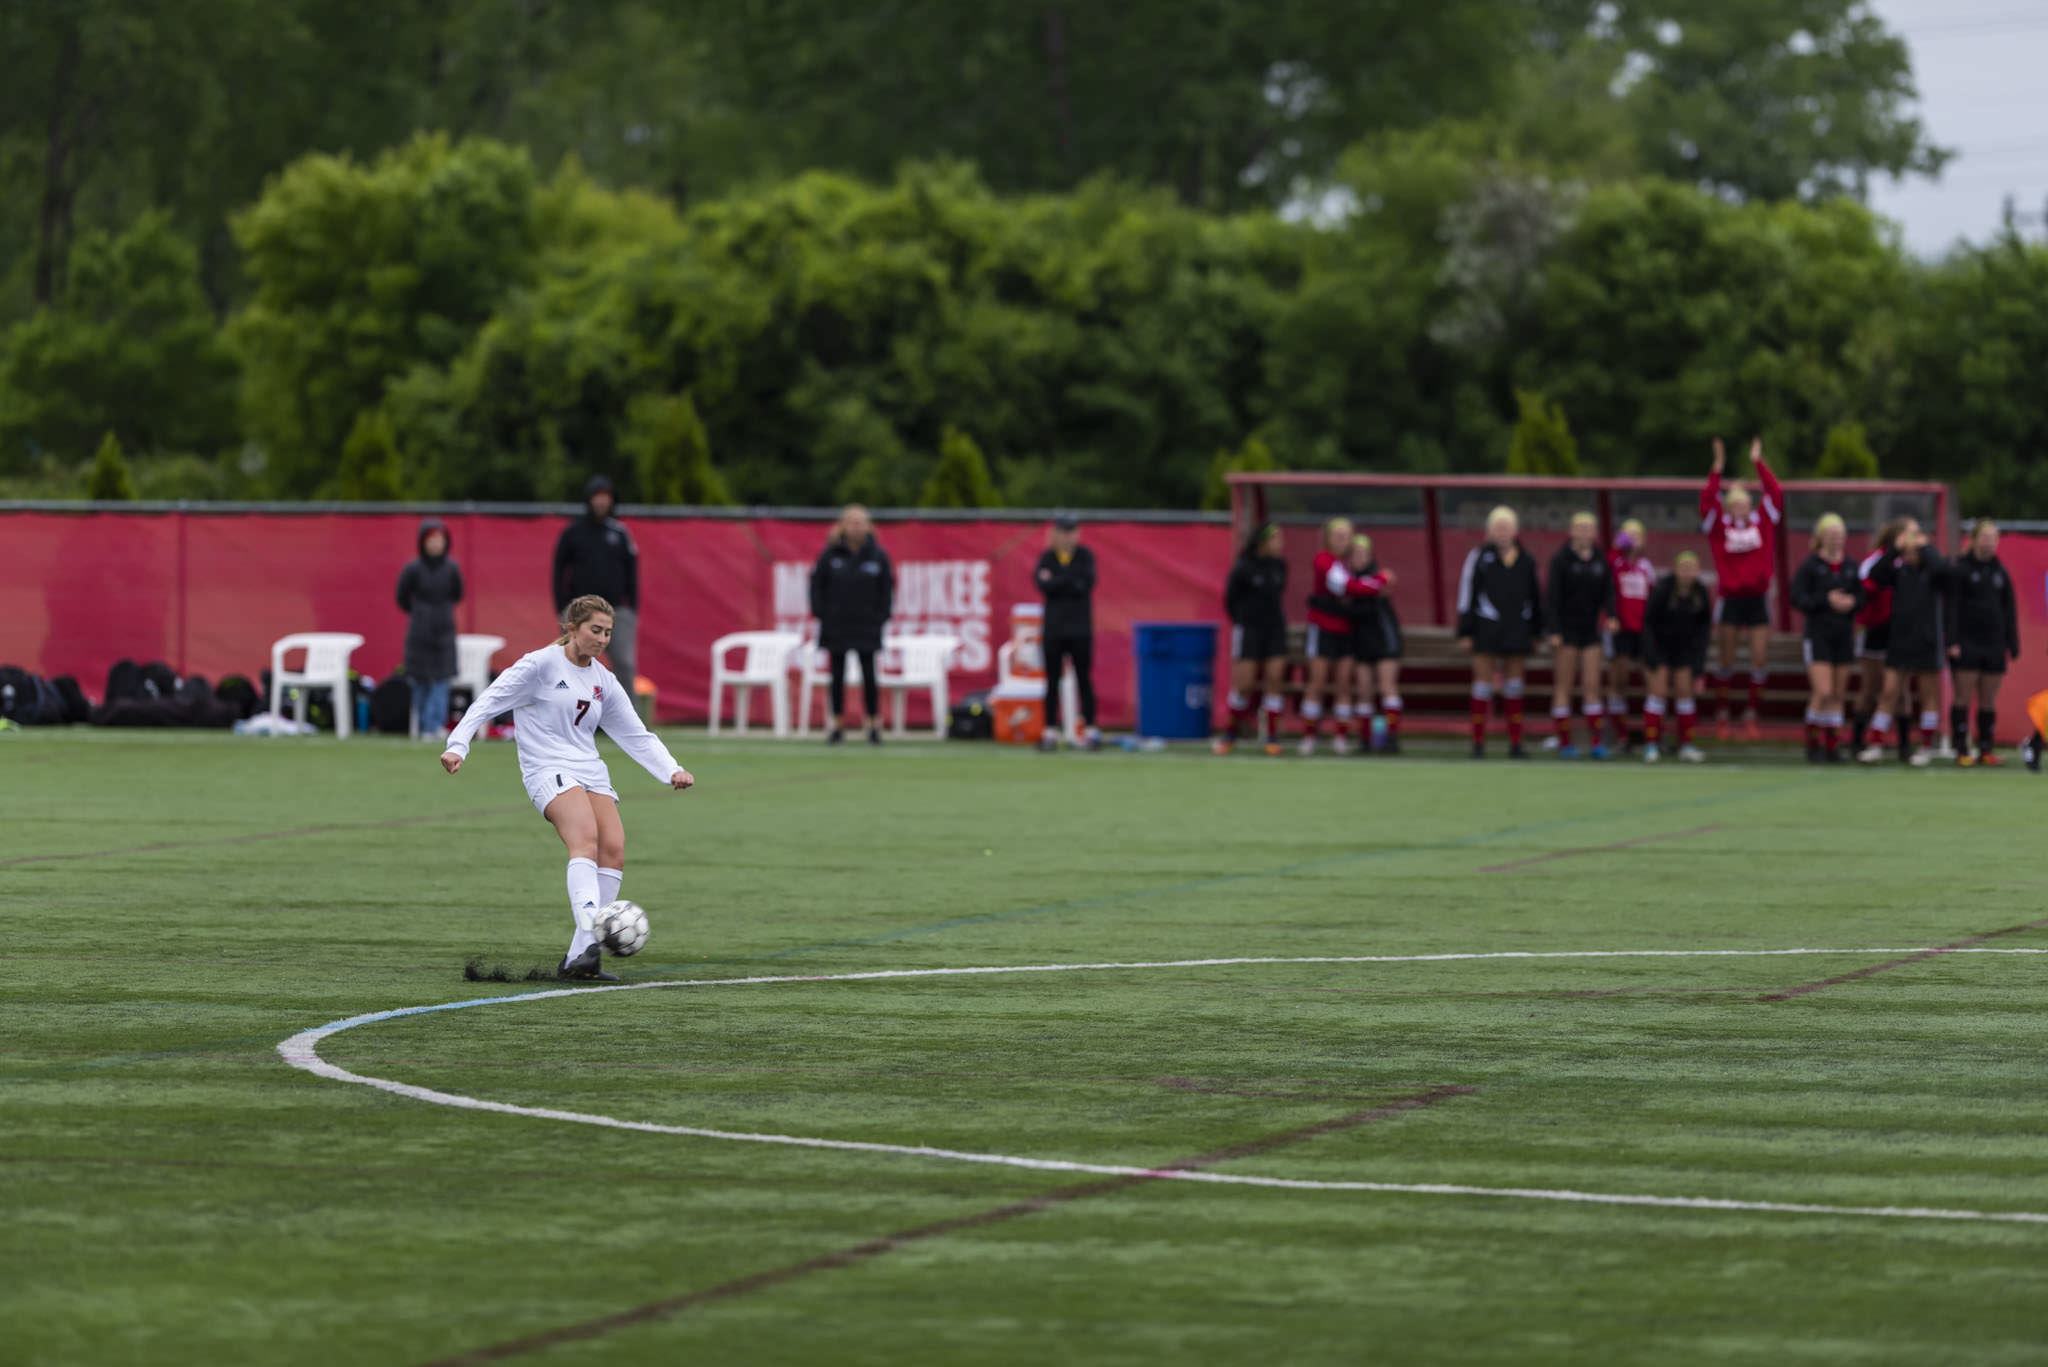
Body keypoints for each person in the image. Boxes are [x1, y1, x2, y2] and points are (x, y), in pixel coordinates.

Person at [439, 595, 693, 981]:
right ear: (571, 629)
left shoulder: (603, 680)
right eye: (595, 630)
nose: (603, 639)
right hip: (546, 768)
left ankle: (580, 959)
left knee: (614, 849)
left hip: (589, 769)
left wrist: (671, 769)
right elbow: (489, 700)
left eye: (608, 632)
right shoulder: (540, 665)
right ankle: (595, 934)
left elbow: (634, 733)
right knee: (585, 839)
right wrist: (458, 744)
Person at [1700, 437, 1783, 740]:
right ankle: (1723, 713)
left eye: (1745, 503)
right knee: (1726, 659)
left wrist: (1757, 462)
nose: (1741, 508)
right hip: (1730, 599)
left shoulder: (1762, 521)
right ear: (1728, 506)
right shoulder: (1719, 526)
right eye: (1735, 503)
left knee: (1758, 658)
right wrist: (1717, 468)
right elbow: (1707, 500)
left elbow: (1775, 492)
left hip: (1757, 598)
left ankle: (1751, 715)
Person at [1859, 519, 1947, 767]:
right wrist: (1895, 550)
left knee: (1928, 695)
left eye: (1914, 549)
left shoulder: (1933, 571)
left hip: (1926, 640)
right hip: (1900, 640)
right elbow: (1875, 576)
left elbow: (1942, 570)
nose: (1910, 554)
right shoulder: (1898, 571)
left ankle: (1926, 747)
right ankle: (1875, 743)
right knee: (1889, 692)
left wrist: (1925, 548)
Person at [1457, 506, 1543, 759]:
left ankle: (1516, 743)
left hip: (1517, 629)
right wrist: (1466, 630)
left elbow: (1536, 597)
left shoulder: (1526, 559)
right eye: (1497, 527)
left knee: (1514, 687)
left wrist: (1536, 630)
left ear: (1516, 531)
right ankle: (1478, 742)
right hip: (1486, 627)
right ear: (1488, 531)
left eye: (1506, 527)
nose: (1502, 532)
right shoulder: (1478, 557)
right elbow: (1466, 594)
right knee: (1482, 686)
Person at [810, 504, 895, 745]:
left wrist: (880, 616)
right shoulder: (830, 555)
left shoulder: (878, 556)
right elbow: (816, 587)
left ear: (868, 526)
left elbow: (887, 590)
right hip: (836, 626)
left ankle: (873, 725)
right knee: (837, 676)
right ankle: (837, 725)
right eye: (852, 522)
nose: (856, 526)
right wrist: (823, 614)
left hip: (867, 626)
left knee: (869, 676)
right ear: (843, 525)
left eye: (861, 522)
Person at [552, 474, 640, 687]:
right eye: (597, 496)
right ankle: (573, 715)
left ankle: (627, 718)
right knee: (575, 663)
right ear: (589, 499)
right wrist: (562, 606)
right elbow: (558, 569)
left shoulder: (619, 533)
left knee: (624, 664)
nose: (601, 501)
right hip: (580, 610)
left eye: (606, 497)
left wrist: (631, 608)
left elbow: (632, 571)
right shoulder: (573, 532)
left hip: (617, 609)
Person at [1789, 514, 1863, 763]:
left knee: (1838, 694)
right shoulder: (1811, 566)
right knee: (1823, 690)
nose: (1836, 539)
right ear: (1821, 537)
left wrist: (1851, 603)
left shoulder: (1851, 566)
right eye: (1831, 534)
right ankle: (1812, 744)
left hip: (1843, 634)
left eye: (1840, 534)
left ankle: (1833, 746)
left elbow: (1862, 596)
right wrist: (1825, 601)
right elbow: (1797, 597)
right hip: (1818, 634)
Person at [1947, 518, 2020, 766]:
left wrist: (2012, 642)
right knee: (1963, 697)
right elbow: (1952, 608)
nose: (1989, 543)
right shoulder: (1961, 569)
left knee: (1989, 699)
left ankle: (1986, 748)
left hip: (1994, 643)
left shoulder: (2000, 571)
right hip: (1967, 642)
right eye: (1985, 537)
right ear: (1974, 539)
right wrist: (1952, 641)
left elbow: (2009, 609)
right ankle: (1961, 748)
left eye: (1993, 538)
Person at [1546, 511, 1617, 758]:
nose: (1585, 532)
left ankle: (1597, 743)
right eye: (1581, 528)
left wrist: (1611, 615)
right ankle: (1565, 743)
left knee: (1591, 685)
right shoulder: (1561, 559)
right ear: (1572, 531)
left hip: (1590, 631)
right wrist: (1554, 630)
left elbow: (1609, 592)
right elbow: (1552, 597)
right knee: (1563, 686)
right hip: (1566, 631)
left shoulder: (1600, 559)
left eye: (1590, 528)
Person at [1217, 523, 1288, 756]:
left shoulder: (1280, 566)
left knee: (1274, 680)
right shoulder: (1243, 567)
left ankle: (1272, 738)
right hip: (1249, 630)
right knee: (1244, 685)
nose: (1280, 544)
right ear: (1263, 542)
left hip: (1274, 629)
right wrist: (1243, 621)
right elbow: (1230, 599)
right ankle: (1230, 734)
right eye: (1275, 539)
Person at [1640, 551, 1714, 763]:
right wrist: (1651, 655)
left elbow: (1703, 629)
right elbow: (1648, 624)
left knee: (1684, 692)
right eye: (1684, 568)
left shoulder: (1700, 592)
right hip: (1661, 647)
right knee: (1659, 691)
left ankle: (1686, 745)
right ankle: (1651, 745)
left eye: (1692, 568)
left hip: (1685, 650)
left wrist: (1698, 664)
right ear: (1676, 569)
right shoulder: (1663, 589)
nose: (1688, 573)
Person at [1036, 513, 1100, 752]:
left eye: (1071, 531)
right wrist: (1068, 581)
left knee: (1084, 679)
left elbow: (1085, 584)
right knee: (1052, 682)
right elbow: (1043, 585)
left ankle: (1090, 730)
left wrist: (1059, 581)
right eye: (1062, 532)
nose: (1066, 537)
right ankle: (1050, 731)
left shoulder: (1085, 556)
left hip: (1080, 629)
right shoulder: (1047, 557)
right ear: (1055, 534)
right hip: (1054, 629)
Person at [396, 517, 463, 741]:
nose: (435, 544)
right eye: (430, 540)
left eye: (439, 539)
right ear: (422, 542)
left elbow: (458, 594)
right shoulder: (413, 569)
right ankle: (424, 726)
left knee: (442, 680)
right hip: (419, 633)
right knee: (421, 680)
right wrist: (422, 613)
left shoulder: (452, 569)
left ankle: (436, 725)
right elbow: (402, 597)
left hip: (444, 633)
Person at [1298, 517, 1358, 756]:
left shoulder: (1354, 562)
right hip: (1323, 629)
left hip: (1347, 631)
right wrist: (1378, 583)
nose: (1343, 541)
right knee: (1317, 683)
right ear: (1328, 538)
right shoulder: (1324, 560)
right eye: (1338, 536)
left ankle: (1341, 738)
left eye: (1347, 536)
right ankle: (1309, 737)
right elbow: (1346, 587)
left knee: (1343, 684)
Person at [1849, 519, 1907, 751]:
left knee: (1899, 690)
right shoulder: (1876, 560)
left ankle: (1903, 744)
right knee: (1870, 686)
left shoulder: (1911, 562)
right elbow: (1868, 585)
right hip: (1875, 629)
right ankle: (1857, 740)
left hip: (1900, 632)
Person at [1345, 533, 1405, 754]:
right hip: (1362, 639)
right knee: (1364, 690)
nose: (1359, 557)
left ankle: (1392, 737)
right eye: (1355, 554)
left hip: (1384, 637)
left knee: (1387, 686)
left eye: (1363, 553)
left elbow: (1378, 588)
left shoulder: (1378, 577)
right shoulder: (1347, 579)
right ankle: (1365, 739)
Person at [1605, 520, 1655, 753]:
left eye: (1637, 535)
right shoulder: (1615, 561)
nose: (1633, 539)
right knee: (1619, 681)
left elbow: (1654, 598)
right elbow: (1608, 566)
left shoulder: (1646, 566)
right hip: (1621, 630)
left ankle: (1654, 736)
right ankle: (1621, 736)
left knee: (1652, 681)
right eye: (1629, 535)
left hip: (1643, 630)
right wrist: (1620, 544)